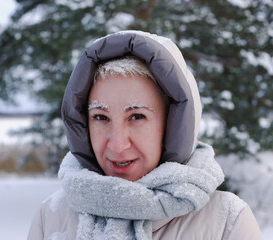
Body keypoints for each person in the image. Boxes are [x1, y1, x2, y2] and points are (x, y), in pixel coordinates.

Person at [28, 31, 262, 239]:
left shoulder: (226, 222)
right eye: (101, 117)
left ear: (174, 124)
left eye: (137, 117)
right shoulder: (50, 216)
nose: (117, 145)